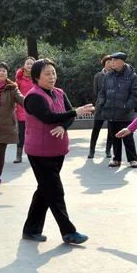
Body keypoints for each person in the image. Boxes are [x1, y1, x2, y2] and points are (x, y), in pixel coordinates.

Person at [21, 58, 94, 244]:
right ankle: (68, 232)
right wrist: (74, 113)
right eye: (47, 74)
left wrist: (63, 126)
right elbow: (48, 117)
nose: (52, 77)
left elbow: (67, 115)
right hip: (39, 151)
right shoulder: (33, 96)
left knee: (45, 190)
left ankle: (31, 229)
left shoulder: (59, 93)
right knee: (55, 192)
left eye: (53, 73)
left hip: (57, 149)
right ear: (36, 77)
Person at [97, 52, 137, 168]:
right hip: (110, 112)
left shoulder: (132, 76)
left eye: (114, 61)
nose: (111, 63)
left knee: (127, 137)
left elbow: (135, 95)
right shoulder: (107, 76)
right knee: (114, 136)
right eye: (111, 61)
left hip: (125, 113)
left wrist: (126, 107)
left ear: (122, 62)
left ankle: (133, 159)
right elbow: (102, 92)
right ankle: (116, 159)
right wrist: (103, 103)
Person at [0, 62, 24, 185]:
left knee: (0, 151)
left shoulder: (12, 88)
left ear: (7, 74)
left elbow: (22, 100)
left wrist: (33, 102)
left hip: (5, 123)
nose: (1, 72)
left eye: (4, 71)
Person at [88, 55, 113, 159]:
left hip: (112, 105)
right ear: (104, 64)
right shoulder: (98, 76)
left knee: (111, 129)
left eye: (112, 62)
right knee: (96, 128)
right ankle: (91, 150)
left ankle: (108, 150)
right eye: (108, 62)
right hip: (101, 105)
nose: (110, 64)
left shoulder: (115, 75)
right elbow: (95, 90)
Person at [14, 57, 35, 163]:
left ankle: (34, 154)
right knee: (21, 133)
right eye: (28, 63)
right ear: (24, 65)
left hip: (35, 107)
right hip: (22, 107)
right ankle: (19, 155)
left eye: (32, 64)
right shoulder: (19, 77)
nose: (29, 65)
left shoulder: (37, 77)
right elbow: (15, 92)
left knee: (33, 132)